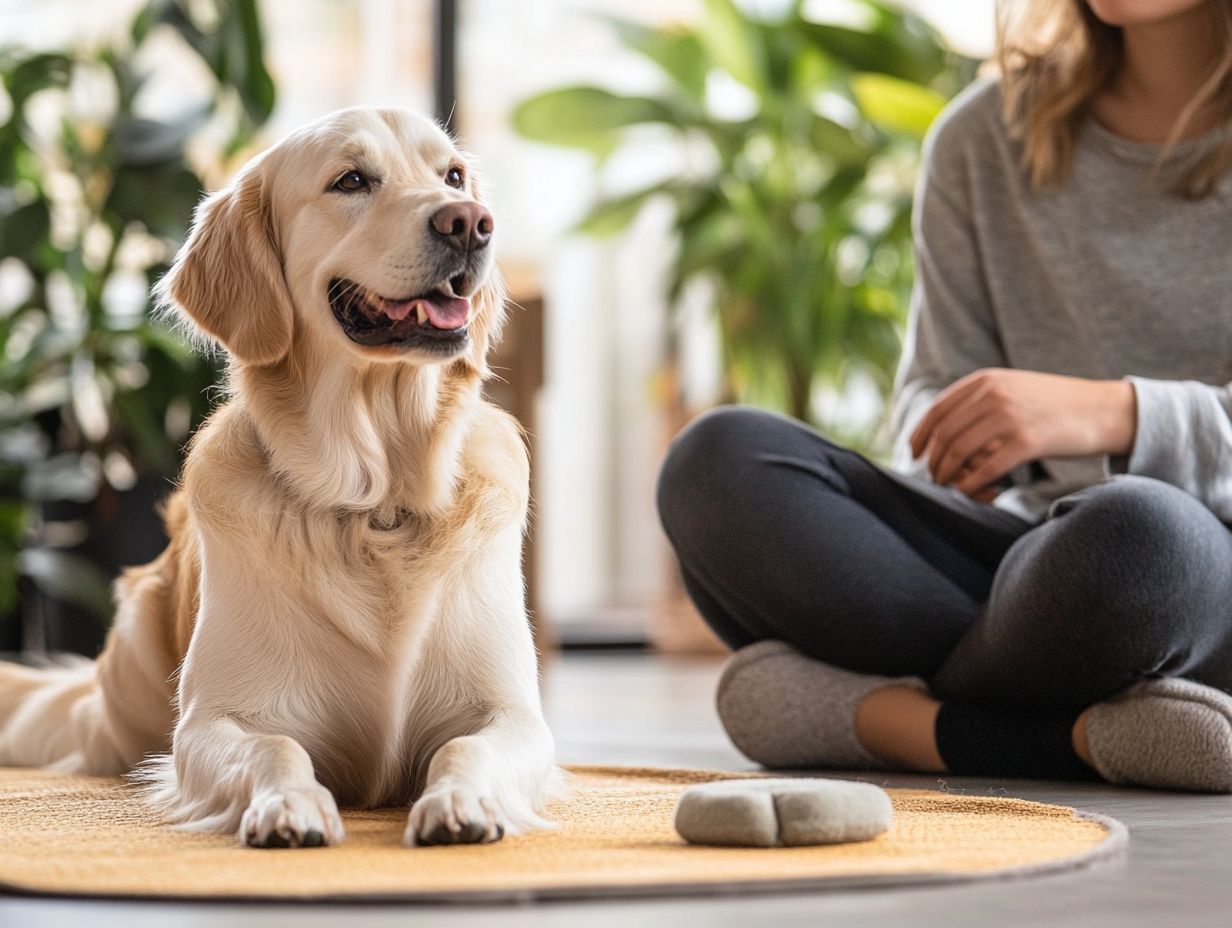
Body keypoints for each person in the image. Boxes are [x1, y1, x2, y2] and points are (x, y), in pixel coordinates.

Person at [657, 0, 1232, 791]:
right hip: (1024, 572)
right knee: (715, 463)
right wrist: (961, 435)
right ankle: (1083, 737)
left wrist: (1114, 413)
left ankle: (894, 725)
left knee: (1143, 537)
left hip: (1191, 577)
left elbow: (1135, 522)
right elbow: (933, 386)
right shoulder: (981, 137)